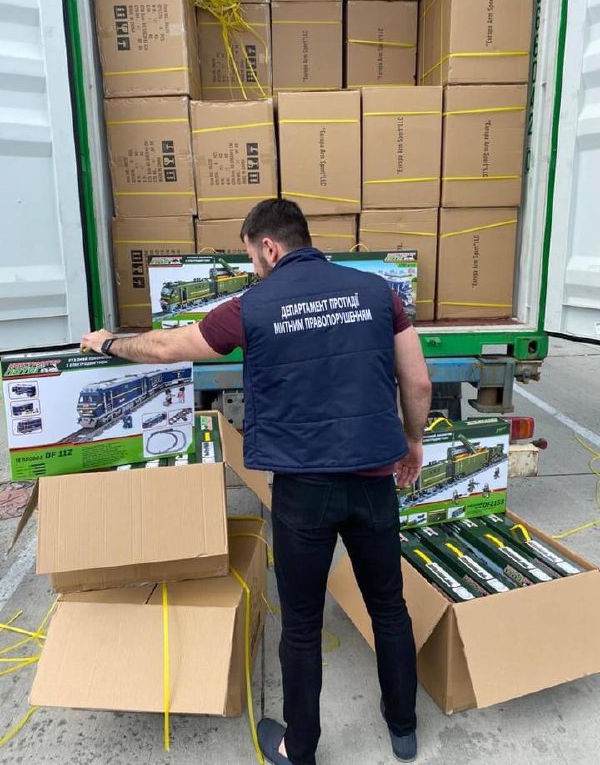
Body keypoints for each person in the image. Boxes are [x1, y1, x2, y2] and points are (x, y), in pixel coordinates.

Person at [82, 199, 431, 765]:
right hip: (373, 480)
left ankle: (301, 747)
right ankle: (404, 730)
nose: (252, 267)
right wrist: (413, 442)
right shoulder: (377, 293)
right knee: (389, 608)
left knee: (302, 623)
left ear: (268, 246)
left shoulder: (251, 307)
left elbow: (167, 346)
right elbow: (417, 381)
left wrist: (108, 343)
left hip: (303, 490)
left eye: (250, 256)